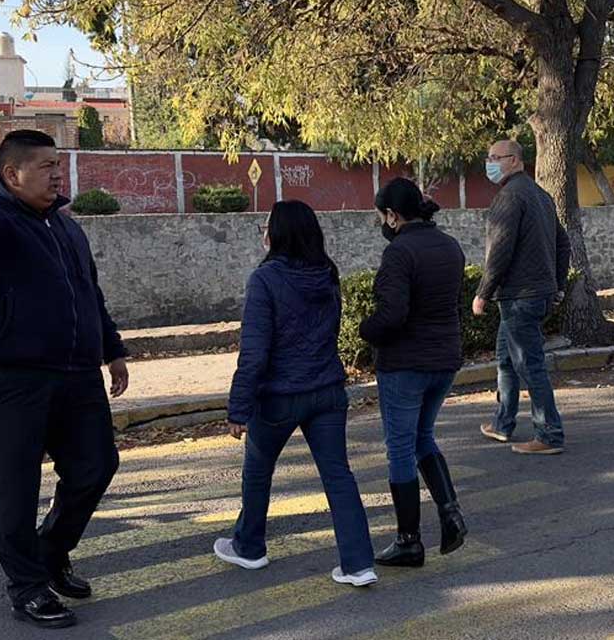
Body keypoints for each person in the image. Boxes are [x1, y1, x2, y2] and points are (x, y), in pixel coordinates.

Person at [0, 113, 129, 630]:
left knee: (97, 465)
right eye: (45, 167)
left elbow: (90, 292)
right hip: (13, 377)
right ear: (12, 175)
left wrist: (112, 349)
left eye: (58, 165)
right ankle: (27, 586)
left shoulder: (66, 227)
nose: (57, 176)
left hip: (78, 373)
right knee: (15, 488)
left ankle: (51, 551)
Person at [215, 200, 377, 589]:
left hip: (278, 396)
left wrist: (238, 407)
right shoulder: (327, 273)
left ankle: (250, 547)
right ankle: (358, 564)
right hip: (327, 391)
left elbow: (254, 351)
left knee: (258, 471)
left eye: (266, 226)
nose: (263, 232)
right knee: (338, 476)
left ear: (277, 234)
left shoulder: (265, 279)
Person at [359, 178, 468, 568]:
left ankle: (409, 540)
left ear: (392, 215)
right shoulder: (450, 246)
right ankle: (450, 511)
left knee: (401, 448)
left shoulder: (400, 253)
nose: (381, 223)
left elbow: (392, 315)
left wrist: (363, 330)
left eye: (381, 215)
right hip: (445, 359)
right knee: (423, 437)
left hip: (406, 363)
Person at [474, 139, 571, 455]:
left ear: (514, 160)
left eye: (495, 157)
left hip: (519, 297)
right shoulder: (541, 196)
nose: (490, 163)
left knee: (529, 365)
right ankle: (503, 424)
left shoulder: (510, 196)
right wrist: (557, 285)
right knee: (506, 359)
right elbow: (563, 244)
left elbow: (499, 252)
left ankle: (549, 434)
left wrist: (482, 293)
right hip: (536, 293)